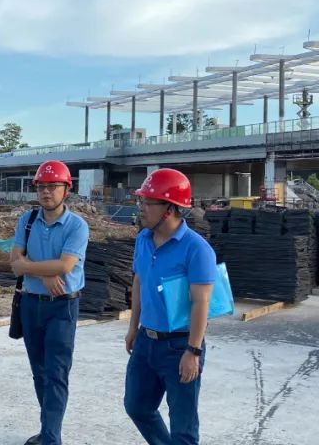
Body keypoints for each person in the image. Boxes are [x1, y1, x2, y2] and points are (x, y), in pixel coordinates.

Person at [123, 168, 216, 445]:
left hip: (180, 346)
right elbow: (139, 281)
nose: (141, 208)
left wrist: (193, 351)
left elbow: (201, 302)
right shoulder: (143, 239)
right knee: (137, 406)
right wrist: (133, 327)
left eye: (148, 202)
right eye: (141, 201)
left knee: (182, 428)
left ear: (170, 209)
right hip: (146, 341)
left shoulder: (196, 249)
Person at [9, 160, 89, 445]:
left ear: (66, 190)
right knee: (39, 372)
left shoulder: (77, 226)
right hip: (31, 304)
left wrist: (30, 267)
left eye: (53, 186)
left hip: (62, 307)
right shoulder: (27, 221)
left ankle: (51, 438)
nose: (46, 192)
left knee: (56, 373)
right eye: (42, 186)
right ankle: (48, 431)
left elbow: (65, 265)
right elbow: (15, 262)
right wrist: (44, 275)